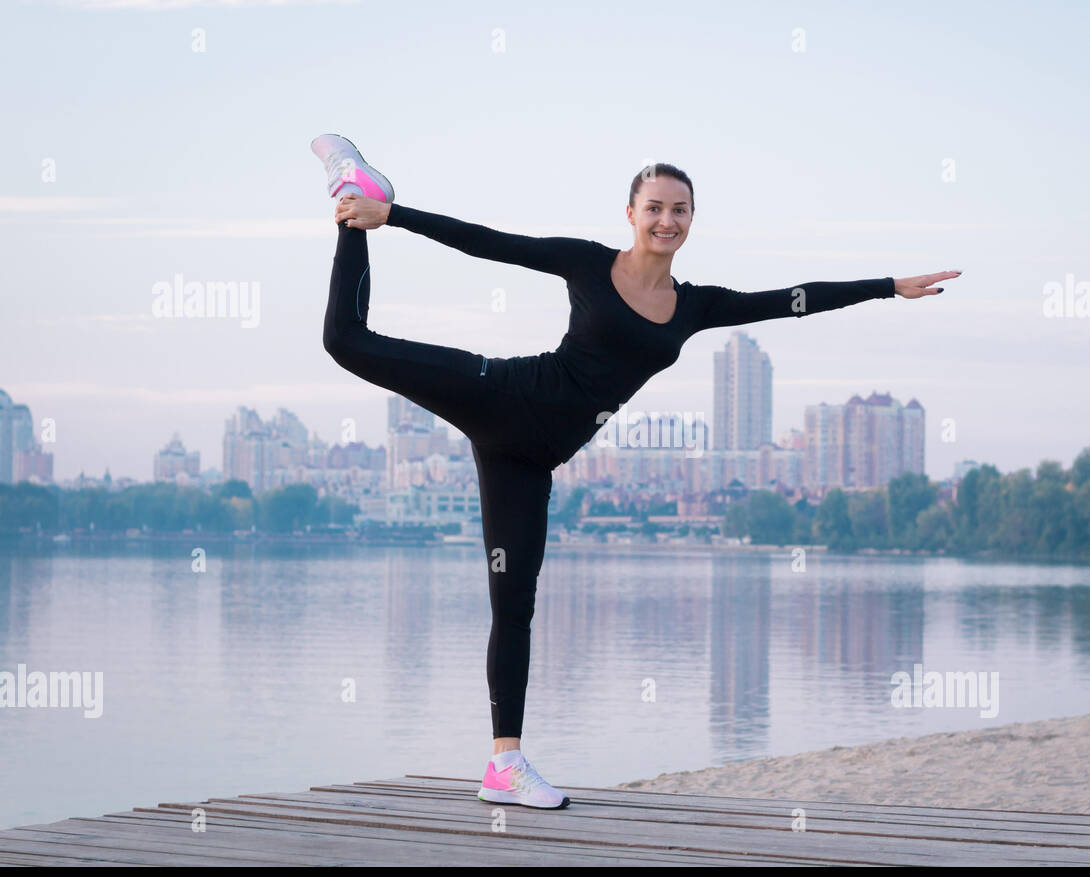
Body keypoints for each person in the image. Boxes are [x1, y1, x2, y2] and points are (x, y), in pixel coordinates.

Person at [312, 133, 960, 809]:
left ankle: (505, 767)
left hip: (528, 461)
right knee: (345, 340)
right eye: (654, 207)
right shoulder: (588, 266)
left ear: (691, 220)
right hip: (499, 395)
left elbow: (792, 299)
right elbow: (489, 241)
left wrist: (888, 287)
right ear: (631, 213)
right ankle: (358, 195)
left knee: (514, 604)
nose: (667, 221)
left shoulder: (697, 305)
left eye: (680, 210)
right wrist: (397, 218)